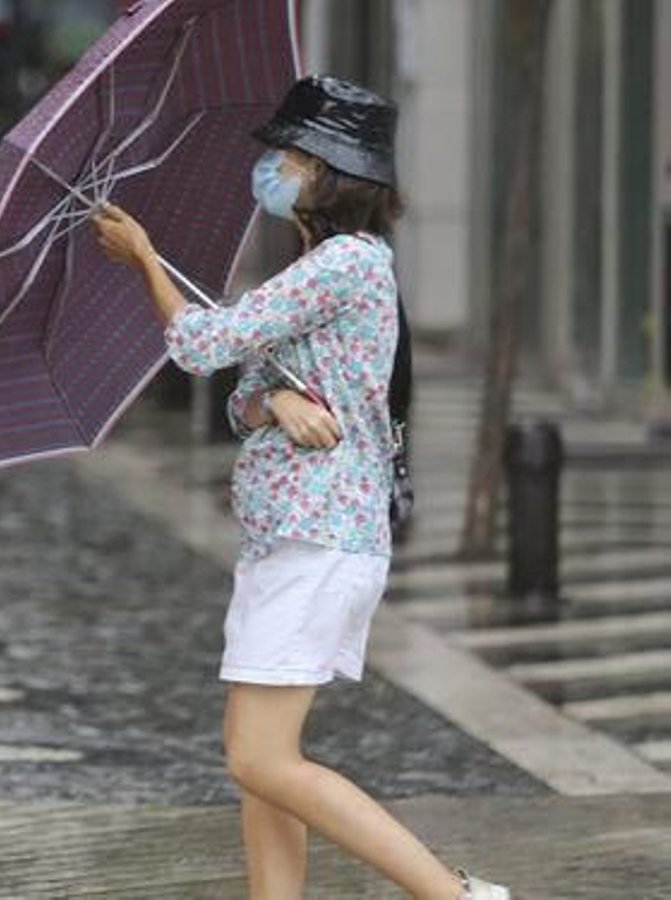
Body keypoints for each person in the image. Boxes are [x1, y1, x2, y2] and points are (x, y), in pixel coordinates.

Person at [92, 75, 508, 900]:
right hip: (288, 541)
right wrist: (276, 401)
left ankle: (453, 894)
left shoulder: (345, 263)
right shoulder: (326, 266)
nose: (273, 170)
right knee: (264, 768)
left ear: (331, 172)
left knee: (259, 759)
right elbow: (244, 397)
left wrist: (144, 259)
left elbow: (203, 347)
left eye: (288, 157)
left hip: (319, 540)